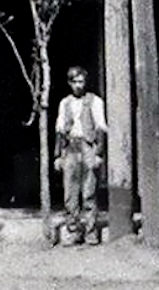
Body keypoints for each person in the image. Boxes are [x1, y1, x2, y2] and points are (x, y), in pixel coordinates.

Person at [53, 65, 107, 245]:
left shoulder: (95, 101)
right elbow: (60, 131)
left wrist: (98, 153)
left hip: (88, 146)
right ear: (69, 83)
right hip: (70, 147)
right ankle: (73, 230)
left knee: (89, 191)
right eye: (75, 82)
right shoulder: (65, 103)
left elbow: (100, 128)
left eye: (81, 81)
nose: (78, 85)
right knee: (70, 192)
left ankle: (91, 231)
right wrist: (58, 155)